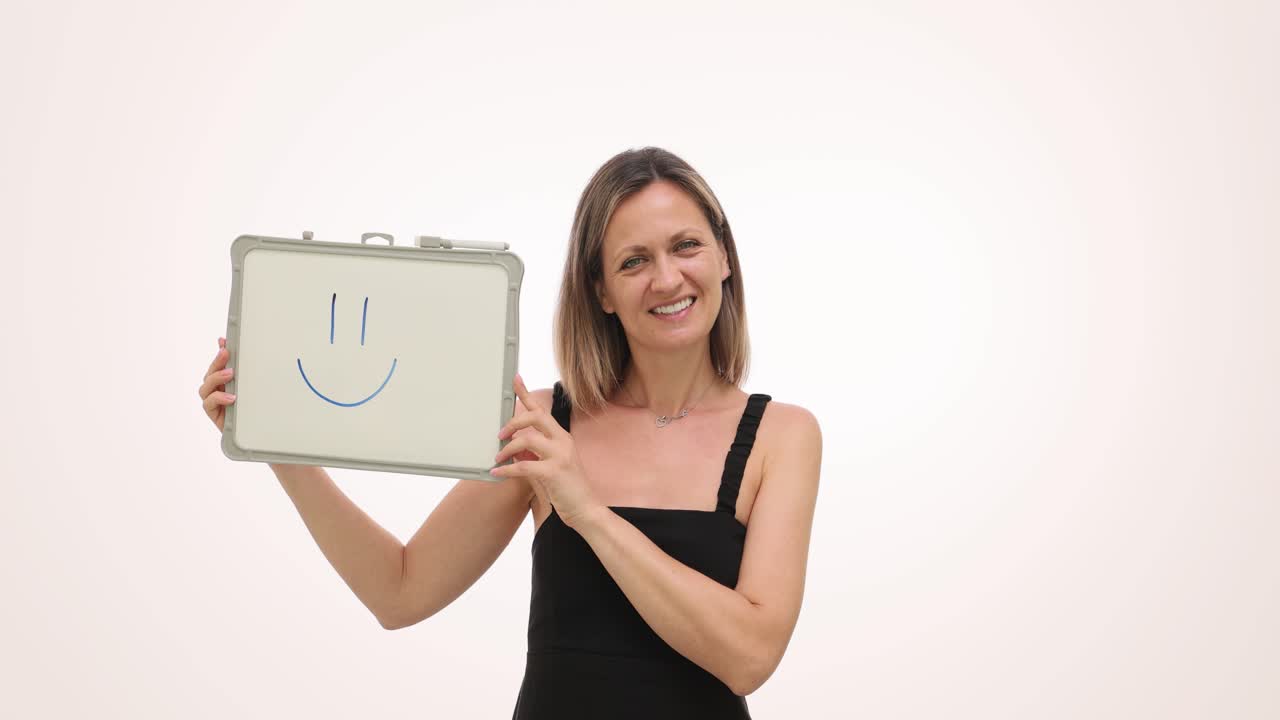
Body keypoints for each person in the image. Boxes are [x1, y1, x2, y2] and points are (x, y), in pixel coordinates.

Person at [198, 146, 822, 719]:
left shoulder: (781, 437)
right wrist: (274, 442)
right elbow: (399, 591)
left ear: (724, 258)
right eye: (634, 260)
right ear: (601, 290)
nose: (666, 279)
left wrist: (585, 509)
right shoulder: (543, 424)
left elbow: (749, 658)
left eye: (686, 246)